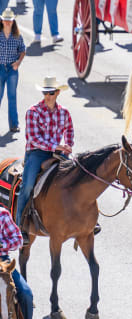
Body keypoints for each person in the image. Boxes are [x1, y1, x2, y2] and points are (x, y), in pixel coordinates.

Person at [17, 76, 74, 245]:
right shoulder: (33, 112)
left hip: (58, 152)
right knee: (27, 186)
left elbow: (69, 130)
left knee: (79, 175)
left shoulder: (64, 112)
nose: (47, 96)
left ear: (57, 93)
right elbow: (34, 139)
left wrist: (68, 145)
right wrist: (56, 146)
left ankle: (88, 219)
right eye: (45, 93)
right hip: (37, 153)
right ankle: (20, 226)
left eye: (50, 93)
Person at [0, 205, 33, 319]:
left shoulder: (3, 214)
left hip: (3, 263)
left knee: (26, 293)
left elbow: (18, 240)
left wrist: (2, 244)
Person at [0, 9, 25, 133]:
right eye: (5, 20)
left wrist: (18, 62)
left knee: (12, 96)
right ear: (2, 21)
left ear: (13, 21)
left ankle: (14, 124)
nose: (7, 23)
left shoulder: (17, 36)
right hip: (0, 68)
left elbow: (23, 50)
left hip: (12, 68)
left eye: (10, 21)